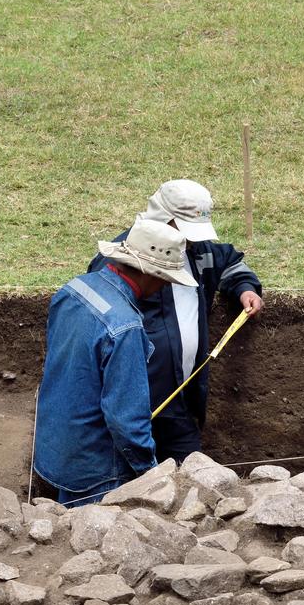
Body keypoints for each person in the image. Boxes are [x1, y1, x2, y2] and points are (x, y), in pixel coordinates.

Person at [89, 179, 264, 462]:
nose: (191, 239)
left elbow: (230, 261)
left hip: (180, 402)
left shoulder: (199, 251)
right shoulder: (124, 256)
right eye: (183, 229)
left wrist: (244, 288)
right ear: (164, 218)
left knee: (193, 476)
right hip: (128, 406)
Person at [30, 217, 195, 507]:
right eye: (166, 280)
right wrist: (150, 473)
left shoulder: (74, 288)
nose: (164, 287)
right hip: (96, 466)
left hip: (55, 446)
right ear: (152, 274)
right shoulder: (125, 327)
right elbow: (127, 418)